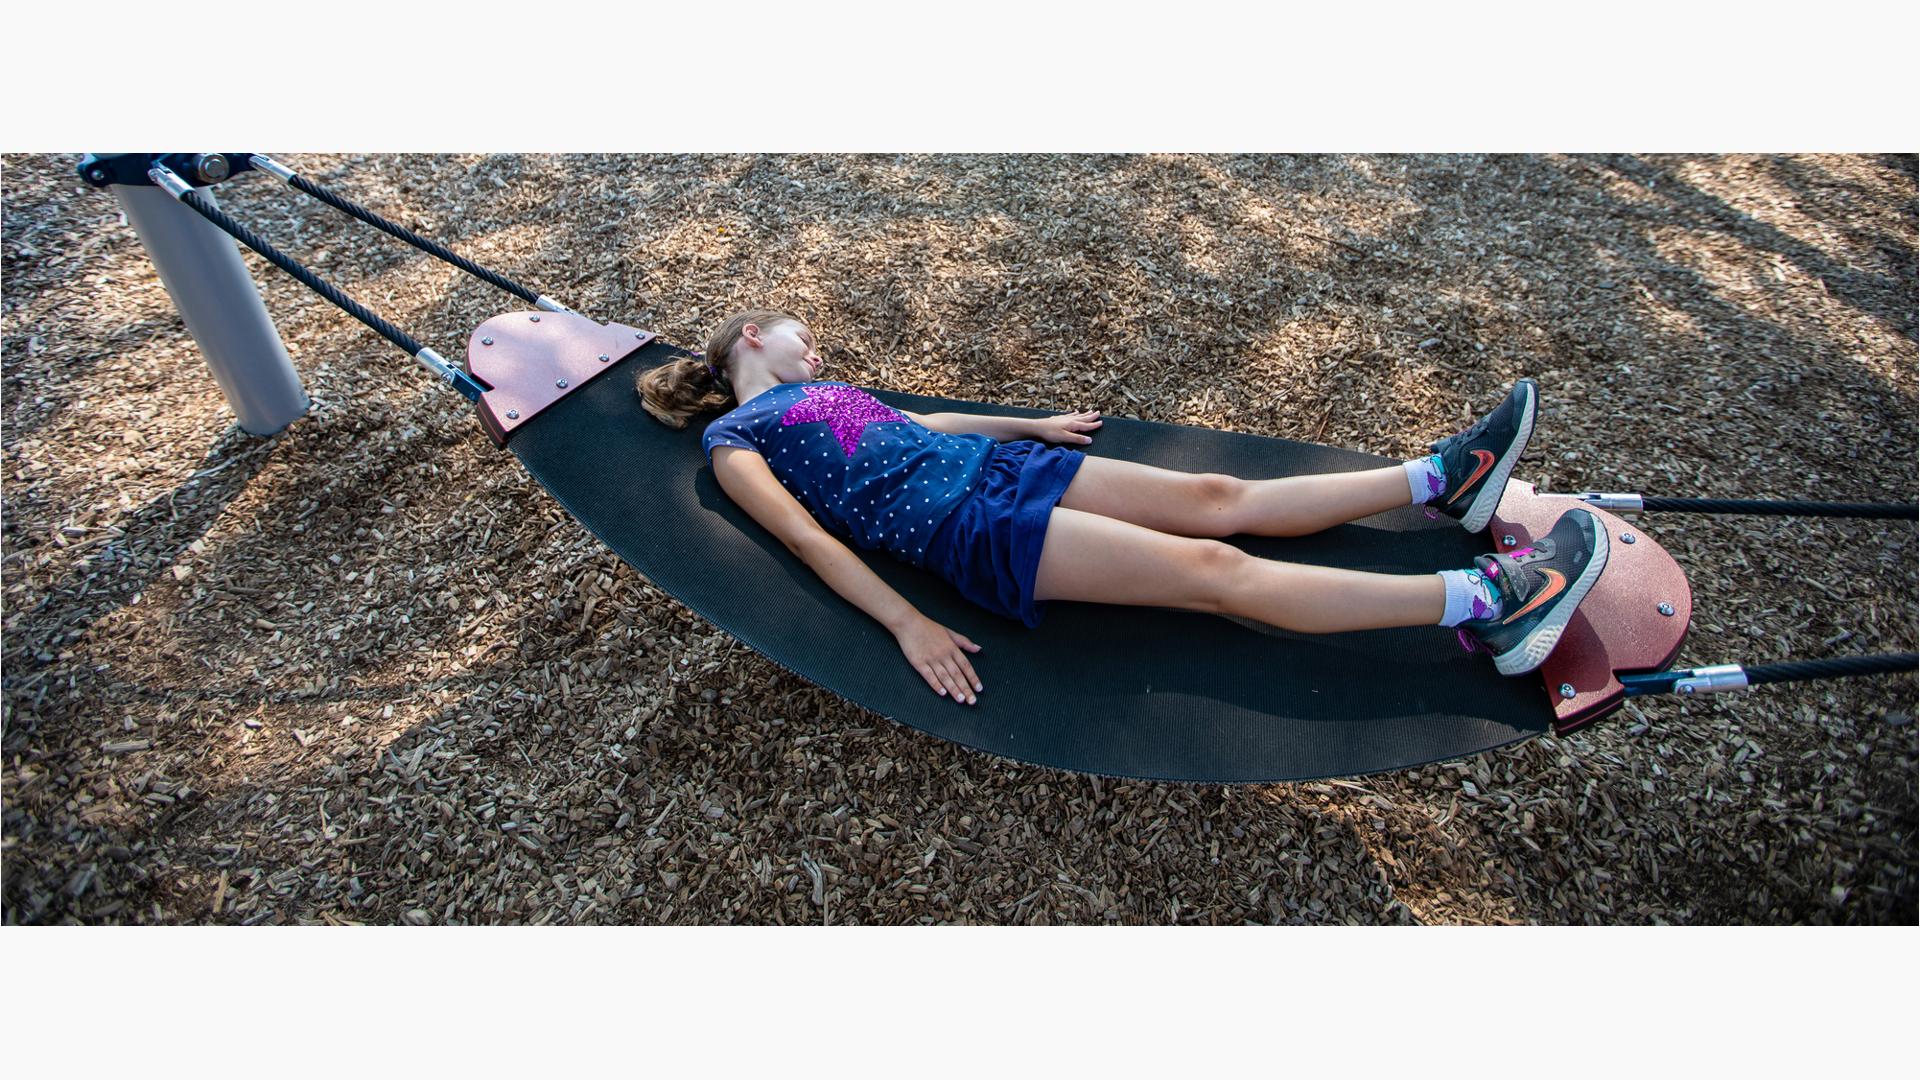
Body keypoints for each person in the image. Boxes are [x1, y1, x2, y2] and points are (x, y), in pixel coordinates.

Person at [639, 308, 1607, 707]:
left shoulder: (833, 392)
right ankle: (1490, 603)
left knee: (1215, 497)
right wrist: (906, 622)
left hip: (1006, 476)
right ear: (759, 336)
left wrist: (1031, 425)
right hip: (972, 530)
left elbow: (926, 419)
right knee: (1216, 576)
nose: (818, 351)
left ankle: (1444, 480)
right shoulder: (736, 442)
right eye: (804, 340)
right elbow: (806, 539)